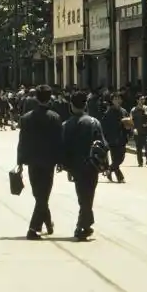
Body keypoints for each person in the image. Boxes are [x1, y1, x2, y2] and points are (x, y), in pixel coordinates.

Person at [15, 85, 61, 239]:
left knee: (39, 194)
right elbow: (58, 142)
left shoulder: (26, 118)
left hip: (32, 161)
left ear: (36, 98)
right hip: (49, 162)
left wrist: (20, 161)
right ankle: (33, 229)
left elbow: (22, 141)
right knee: (43, 195)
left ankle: (47, 223)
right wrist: (61, 160)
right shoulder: (55, 117)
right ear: (50, 98)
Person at [61, 91, 105, 241]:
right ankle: (82, 226)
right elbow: (102, 145)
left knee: (83, 195)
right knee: (88, 195)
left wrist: (66, 167)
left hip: (75, 166)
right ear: (86, 105)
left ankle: (85, 225)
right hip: (92, 164)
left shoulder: (66, 125)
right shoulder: (94, 122)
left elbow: (63, 148)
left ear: (71, 106)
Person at [101, 91, 128, 183]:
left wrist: (129, 127)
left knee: (121, 157)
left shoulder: (124, 111)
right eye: (115, 99)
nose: (117, 100)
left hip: (122, 138)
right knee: (115, 158)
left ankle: (109, 170)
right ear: (112, 101)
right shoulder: (109, 112)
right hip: (112, 138)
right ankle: (120, 177)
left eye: (118, 98)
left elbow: (129, 122)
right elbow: (104, 126)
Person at [130, 95, 147, 167]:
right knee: (139, 148)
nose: (142, 101)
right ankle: (140, 162)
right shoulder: (133, 110)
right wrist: (133, 129)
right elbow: (131, 121)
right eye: (141, 99)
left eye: (143, 99)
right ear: (137, 100)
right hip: (138, 131)